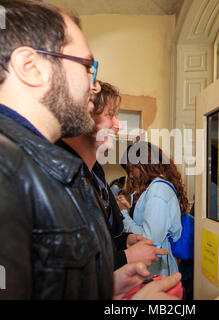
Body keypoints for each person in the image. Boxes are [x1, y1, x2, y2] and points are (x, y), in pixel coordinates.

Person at [0, 0, 181, 299]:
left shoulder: (39, 165)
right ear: (30, 68)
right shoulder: (9, 173)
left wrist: (104, 288)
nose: (94, 86)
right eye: (87, 67)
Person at [59, 80, 168, 270]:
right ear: (84, 117)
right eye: (111, 115)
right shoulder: (66, 176)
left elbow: (105, 238)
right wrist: (127, 257)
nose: (118, 126)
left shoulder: (96, 172)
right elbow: (73, 267)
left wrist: (125, 240)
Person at [117, 141, 190, 277]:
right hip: (152, 269)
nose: (130, 175)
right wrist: (129, 208)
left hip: (157, 272)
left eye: (131, 169)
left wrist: (123, 214)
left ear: (145, 165)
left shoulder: (158, 190)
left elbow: (149, 239)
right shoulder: (153, 188)